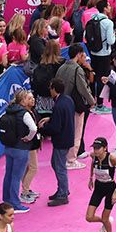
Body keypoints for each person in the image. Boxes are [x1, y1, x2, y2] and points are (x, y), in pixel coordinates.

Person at [0, 90, 38, 212]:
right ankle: (15, 203)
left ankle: (7, 200)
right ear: (23, 101)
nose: (32, 100)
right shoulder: (24, 113)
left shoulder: (9, 110)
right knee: (16, 176)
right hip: (21, 149)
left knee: (8, 174)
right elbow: (33, 128)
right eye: (28, 98)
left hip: (8, 147)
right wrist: (28, 138)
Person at [39, 78, 75, 206]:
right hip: (67, 137)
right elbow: (62, 118)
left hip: (61, 140)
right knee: (56, 164)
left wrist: (43, 129)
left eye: (50, 87)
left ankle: (63, 194)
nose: (49, 90)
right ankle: (62, 189)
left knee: (59, 167)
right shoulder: (67, 100)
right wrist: (51, 118)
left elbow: (55, 127)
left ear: (54, 89)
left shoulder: (59, 104)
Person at [85, 137, 116, 232]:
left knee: (104, 216)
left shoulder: (112, 158)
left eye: (98, 148)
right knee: (89, 217)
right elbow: (92, 164)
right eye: (94, 148)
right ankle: (106, 222)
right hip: (98, 187)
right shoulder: (94, 156)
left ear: (105, 148)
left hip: (110, 188)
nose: (96, 150)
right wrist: (91, 177)